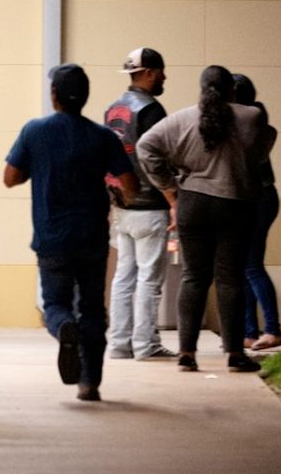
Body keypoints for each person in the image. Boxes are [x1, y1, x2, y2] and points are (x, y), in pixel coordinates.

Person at [4, 64, 138, 401]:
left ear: (54, 96)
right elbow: (131, 187)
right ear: (86, 97)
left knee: (55, 304)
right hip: (92, 237)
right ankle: (89, 383)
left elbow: (9, 177)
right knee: (93, 308)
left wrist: (34, 171)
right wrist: (118, 194)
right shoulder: (103, 136)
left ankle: (64, 327)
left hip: (51, 238)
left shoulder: (34, 131)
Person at [136, 65, 276, 373]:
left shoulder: (183, 118)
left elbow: (146, 146)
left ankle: (187, 352)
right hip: (235, 204)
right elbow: (263, 149)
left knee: (193, 277)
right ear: (232, 90)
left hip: (192, 202)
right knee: (230, 279)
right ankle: (235, 354)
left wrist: (170, 187)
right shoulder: (251, 117)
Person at [104, 47, 177, 360]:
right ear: (148, 73)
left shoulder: (112, 109)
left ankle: (119, 344)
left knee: (123, 276)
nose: (164, 77)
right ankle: (146, 345)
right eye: (160, 72)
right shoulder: (152, 110)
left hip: (122, 205)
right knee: (149, 278)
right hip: (150, 206)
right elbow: (155, 158)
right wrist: (172, 198)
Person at [233, 73, 281, 351]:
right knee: (245, 267)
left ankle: (272, 330)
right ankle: (250, 332)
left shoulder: (251, 124)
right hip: (261, 197)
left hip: (258, 198)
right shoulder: (257, 120)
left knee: (252, 265)